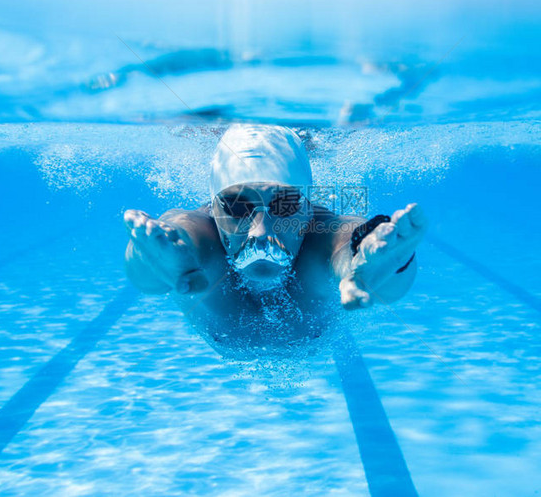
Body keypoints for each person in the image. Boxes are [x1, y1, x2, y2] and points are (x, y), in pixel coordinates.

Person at [124, 124, 427, 353]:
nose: (261, 232)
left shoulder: (321, 236)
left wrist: (380, 262)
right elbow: (167, 250)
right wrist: (152, 259)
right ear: (213, 209)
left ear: (308, 209)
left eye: (285, 206)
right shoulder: (198, 243)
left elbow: (349, 241)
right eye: (237, 207)